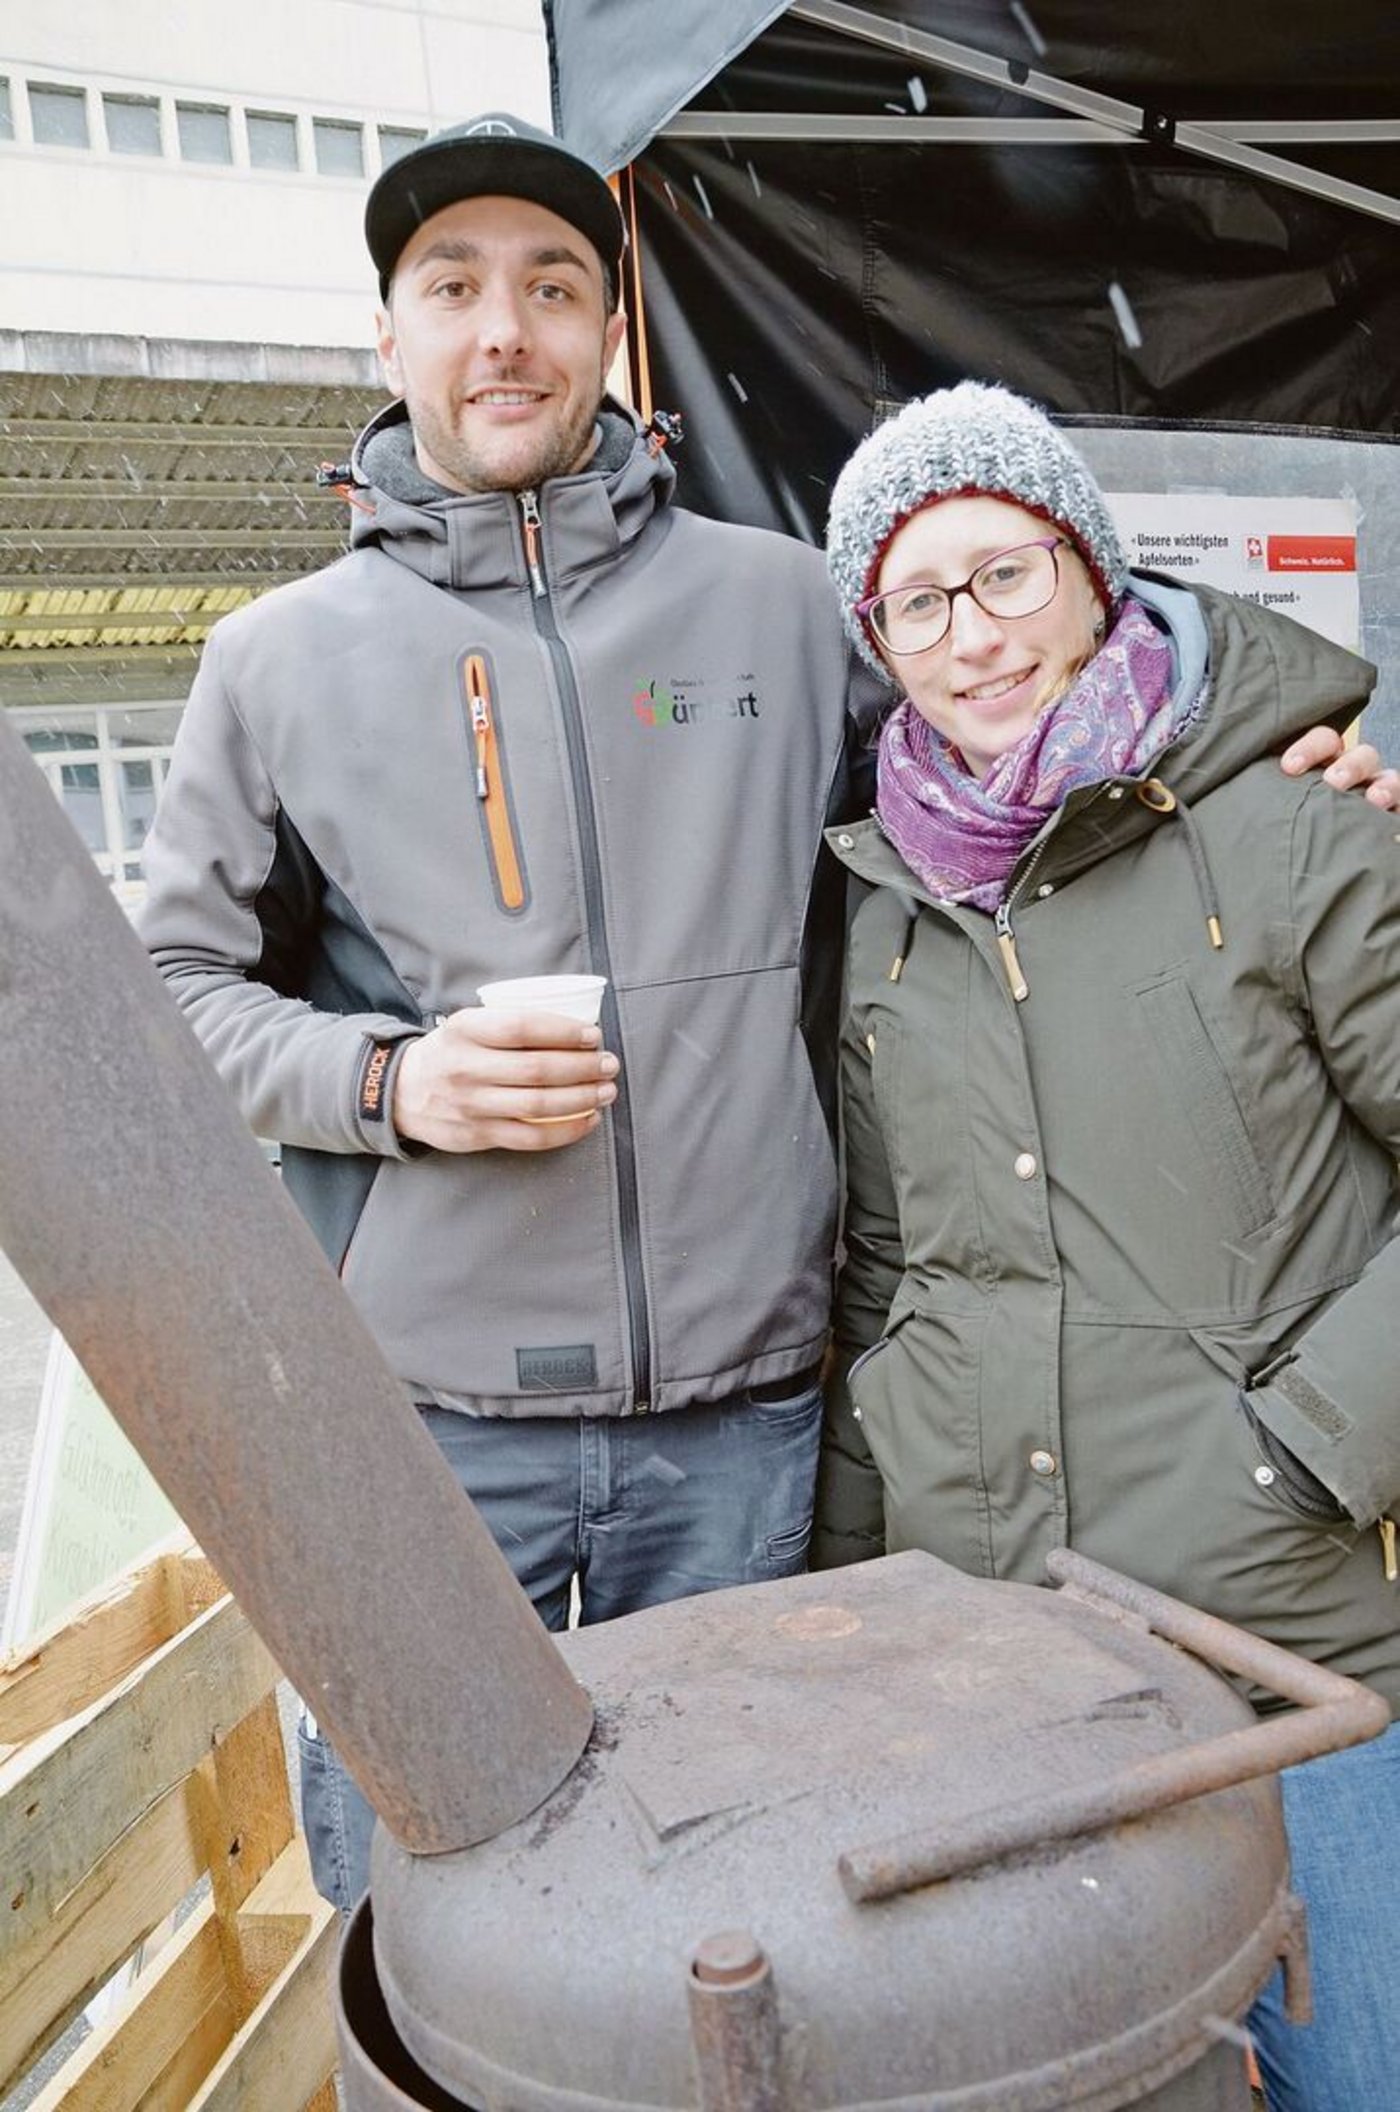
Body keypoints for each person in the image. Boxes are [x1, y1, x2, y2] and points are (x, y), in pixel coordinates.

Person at [137, 116, 1392, 1916]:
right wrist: (390, 1079)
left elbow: (1043, 740)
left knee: (748, 1905)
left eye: (554, 286)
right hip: (430, 1421)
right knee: (425, 1909)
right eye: (453, 287)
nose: (506, 329)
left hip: (746, 1431)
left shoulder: (782, 606)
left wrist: (1285, 756)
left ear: (613, 336)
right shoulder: (272, 661)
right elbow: (174, 1007)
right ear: (389, 338)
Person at [816, 380, 1400, 2109]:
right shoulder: (882, 905)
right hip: (994, 1660)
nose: (969, 638)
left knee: (1347, 2068)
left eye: (1002, 574)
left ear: (1086, 564)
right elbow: (886, 1270)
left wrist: (1308, 1449)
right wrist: (860, 1588)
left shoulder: (1294, 831)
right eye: (915, 602)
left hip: (1279, 1642)